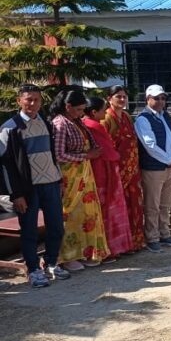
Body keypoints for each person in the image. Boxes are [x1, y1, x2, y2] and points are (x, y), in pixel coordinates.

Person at [0, 84, 69, 287]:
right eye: (28, 99)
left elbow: (51, 155)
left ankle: (51, 263)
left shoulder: (45, 123)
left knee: (56, 226)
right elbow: (6, 165)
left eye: (36, 99)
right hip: (28, 190)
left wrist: (58, 179)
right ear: (19, 101)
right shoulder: (9, 128)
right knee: (29, 231)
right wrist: (16, 194)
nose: (32, 103)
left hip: (51, 184)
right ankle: (33, 269)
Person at [50, 89, 110, 269]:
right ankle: (68, 256)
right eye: (78, 109)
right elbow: (59, 155)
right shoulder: (60, 123)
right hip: (69, 177)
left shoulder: (75, 121)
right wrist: (86, 155)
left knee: (86, 214)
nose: (82, 113)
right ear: (68, 106)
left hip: (83, 174)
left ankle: (85, 252)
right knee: (70, 215)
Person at [135, 84, 171, 253]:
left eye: (163, 98)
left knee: (166, 203)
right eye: (156, 98)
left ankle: (165, 233)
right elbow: (150, 146)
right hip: (154, 169)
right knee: (152, 205)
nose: (161, 101)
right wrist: (170, 160)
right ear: (147, 99)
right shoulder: (143, 119)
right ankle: (152, 237)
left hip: (170, 167)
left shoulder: (166, 116)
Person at [82, 97, 133, 259]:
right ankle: (111, 248)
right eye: (103, 110)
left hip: (98, 170)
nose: (105, 112)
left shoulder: (86, 124)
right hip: (104, 171)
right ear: (94, 112)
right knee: (109, 209)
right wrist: (118, 154)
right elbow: (108, 151)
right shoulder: (94, 126)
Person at [102, 85, 145, 252]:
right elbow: (105, 146)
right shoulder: (106, 118)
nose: (122, 99)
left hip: (132, 169)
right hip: (117, 171)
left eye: (124, 97)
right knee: (119, 207)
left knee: (135, 204)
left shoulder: (127, 116)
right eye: (118, 96)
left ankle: (134, 242)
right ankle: (118, 246)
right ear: (109, 99)